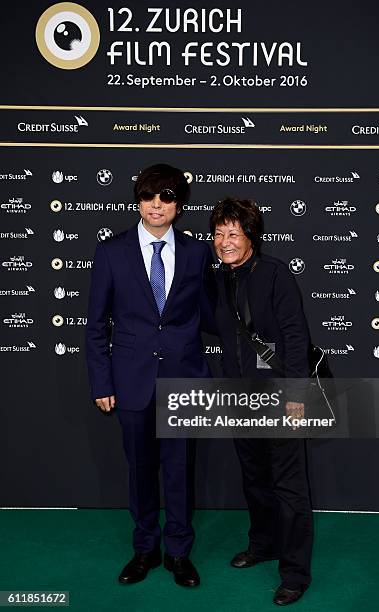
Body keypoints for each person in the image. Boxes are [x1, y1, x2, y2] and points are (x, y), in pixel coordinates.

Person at [86, 163, 215, 588]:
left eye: (166, 197)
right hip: (131, 380)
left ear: (179, 206)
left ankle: (179, 552)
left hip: (183, 376)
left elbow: (212, 314)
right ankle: (145, 548)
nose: (156, 205)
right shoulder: (111, 252)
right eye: (148, 196)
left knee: (179, 470)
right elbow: (95, 325)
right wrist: (102, 382)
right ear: (138, 201)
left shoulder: (198, 253)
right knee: (140, 470)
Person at [210, 197, 313, 606]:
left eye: (233, 233)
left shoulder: (275, 275)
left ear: (251, 235)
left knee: (290, 488)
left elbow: (295, 337)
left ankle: (295, 573)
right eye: (218, 234)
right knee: (254, 479)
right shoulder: (219, 279)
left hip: (280, 398)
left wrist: (295, 397)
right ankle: (263, 544)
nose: (224, 241)